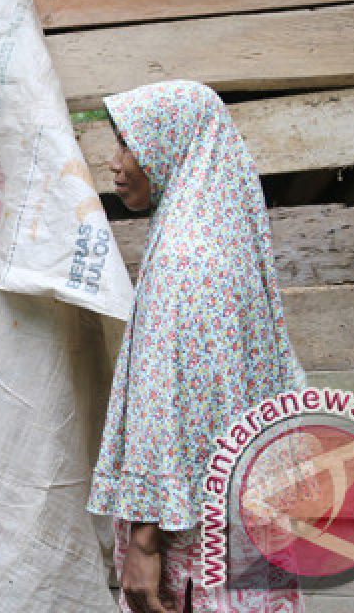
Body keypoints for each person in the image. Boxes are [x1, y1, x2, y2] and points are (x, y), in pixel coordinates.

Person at [86, 81, 306, 613]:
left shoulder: (184, 261)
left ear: (170, 143)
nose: (115, 164)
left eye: (127, 145)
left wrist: (143, 542)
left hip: (189, 549)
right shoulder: (227, 240)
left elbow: (168, 409)